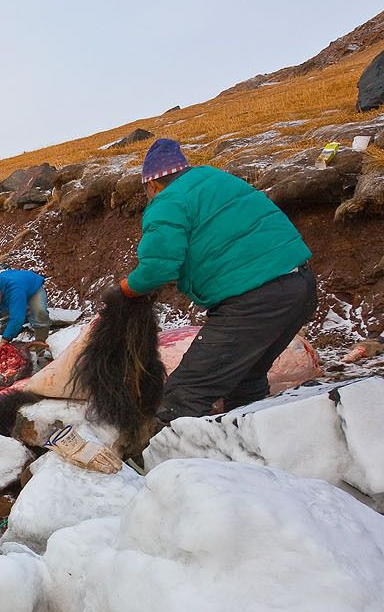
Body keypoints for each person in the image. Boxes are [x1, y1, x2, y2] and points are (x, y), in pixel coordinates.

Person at [117, 138, 316, 421]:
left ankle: (167, 462)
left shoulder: (167, 200)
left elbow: (158, 268)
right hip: (301, 288)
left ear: (152, 184)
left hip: (254, 301)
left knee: (185, 394)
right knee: (246, 378)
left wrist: (126, 290)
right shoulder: (216, 179)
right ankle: (248, 447)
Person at [0, 269, 51, 352]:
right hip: (12, 286)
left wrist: (5, 339)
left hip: (32, 287)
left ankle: (40, 346)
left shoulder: (15, 290)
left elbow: (17, 318)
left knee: (40, 312)